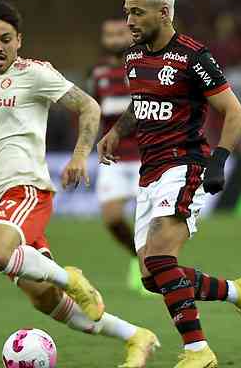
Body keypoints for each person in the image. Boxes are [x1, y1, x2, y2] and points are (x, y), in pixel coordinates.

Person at [0, 0, 158, 368]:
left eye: (5, 39)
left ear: (19, 41)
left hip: (26, 191)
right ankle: (136, 338)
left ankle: (72, 278)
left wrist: (81, 155)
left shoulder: (35, 74)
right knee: (46, 300)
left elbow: (89, 107)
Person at [97, 0, 241, 368]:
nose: (130, 20)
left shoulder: (194, 57)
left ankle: (198, 351)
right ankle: (237, 292)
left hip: (185, 165)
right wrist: (117, 132)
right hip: (150, 170)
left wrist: (219, 159)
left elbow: (235, 112)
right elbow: (141, 102)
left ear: (164, 12)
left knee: (159, 259)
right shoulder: (133, 57)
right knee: (151, 276)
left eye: (137, 12)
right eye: (127, 12)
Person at [88, 18, 145, 295]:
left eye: (118, 33)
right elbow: (93, 112)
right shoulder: (98, 73)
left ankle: (150, 270)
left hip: (147, 155)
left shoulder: (145, 66)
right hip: (114, 158)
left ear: (131, 35)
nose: (113, 38)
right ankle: (137, 256)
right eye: (108, 34)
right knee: (111, 219)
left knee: (151, 222)